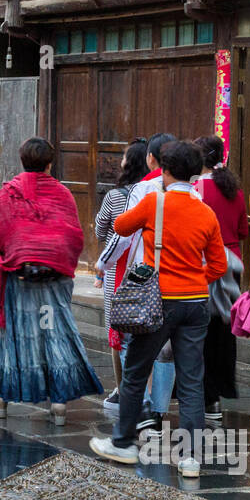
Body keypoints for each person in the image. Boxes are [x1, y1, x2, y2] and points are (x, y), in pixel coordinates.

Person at [90, 141, 226, 477]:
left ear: (164, 170)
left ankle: (122, 442)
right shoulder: (205, 211)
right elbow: (219, 265)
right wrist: (195, 279)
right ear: (195, 175)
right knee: (192, 379)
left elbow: (120, 227)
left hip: (158, 301)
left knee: (136, 370)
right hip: (195, 304)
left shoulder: (155, 202)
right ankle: (190, 458)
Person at [0, 137, 102, 426]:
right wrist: (56, 257)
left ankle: (2, 399)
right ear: (49, 163)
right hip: (54, 279)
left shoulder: (9, 193)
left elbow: (2, 233)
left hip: (19, 276)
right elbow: (74, 235)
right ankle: (58, 405)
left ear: (22, 161)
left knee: (14, 333)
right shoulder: (62, 194)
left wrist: (15, 254)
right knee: (53, 331)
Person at [103, 132, 180, 431]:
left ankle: (141, 407)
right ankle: (158, 413)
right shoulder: (194, 195)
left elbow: (123, 233)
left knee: (133, 342)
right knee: (167, 350)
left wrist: (102, 265)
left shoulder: (144, 190)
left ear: (151, 158)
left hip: (146, 278)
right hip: (182, 285)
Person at [193, 135, 247, 424]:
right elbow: (242, 231)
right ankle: (217, 398)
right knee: (224, 333)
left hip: (206, 264)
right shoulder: (235, 189)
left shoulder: (197, 188)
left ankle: (205, 396)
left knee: (200, 332)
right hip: (233, 265)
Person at [93, 139, 149, 404]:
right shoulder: (155, 193)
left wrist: (104, 257)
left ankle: (122, 389)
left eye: (125, 156)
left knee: (117, 333)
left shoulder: (115, 196)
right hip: (147, 271)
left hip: (117, 271)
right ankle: (146, 392)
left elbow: (100, 229)